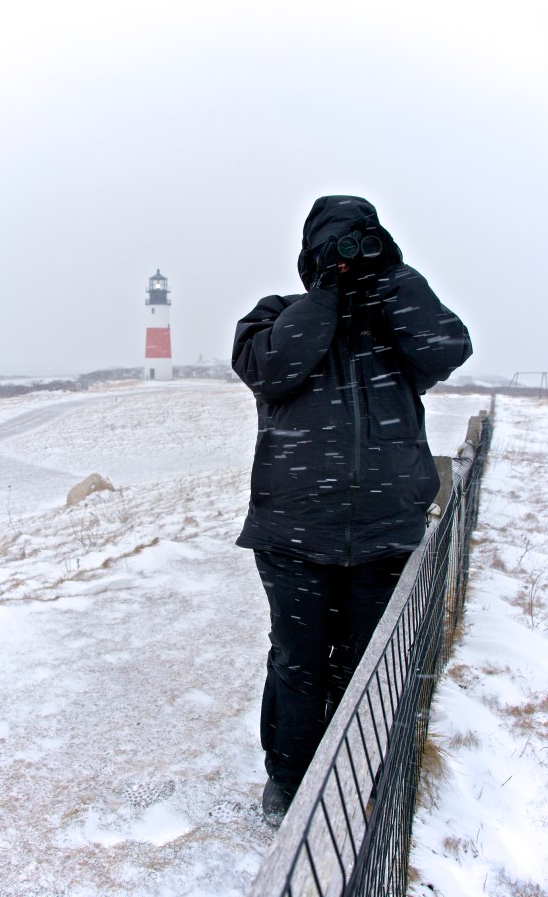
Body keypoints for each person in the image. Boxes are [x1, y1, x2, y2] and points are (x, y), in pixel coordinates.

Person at [231, 195, 472, 826]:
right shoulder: (275, 316)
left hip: (385, 533)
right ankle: (289, 785)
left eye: (361, 241)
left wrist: (386, 273)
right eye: (334, 245)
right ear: (308, 254)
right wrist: (328, 289)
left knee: (365, 668)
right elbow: (272, 367)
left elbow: (448, 347)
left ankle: (353, 775)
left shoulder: (393, 323)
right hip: (292, 536)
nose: (349, 257)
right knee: (299, 664)